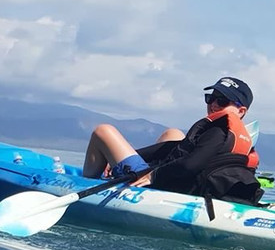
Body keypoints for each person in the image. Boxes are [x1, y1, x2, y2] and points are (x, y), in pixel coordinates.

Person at [82, 76, 263, 204]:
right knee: (173, 134)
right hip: (184, 183)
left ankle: (85, 183)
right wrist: (135, 155)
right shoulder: (238, 137)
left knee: (103, 131)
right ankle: (111, 165)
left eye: (223, 101)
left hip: (164, 186)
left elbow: (189, 165)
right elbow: (175, 148)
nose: (214, 104)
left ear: (241, 111)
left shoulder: (217, 131)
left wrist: (154, 174)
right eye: (211, 98)